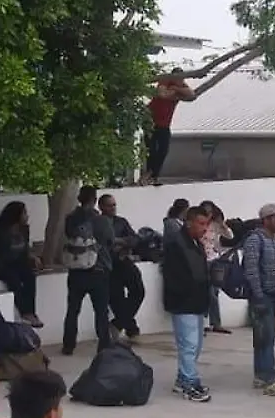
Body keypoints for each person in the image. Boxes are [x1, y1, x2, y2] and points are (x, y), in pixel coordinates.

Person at [162, 205, 213, 403]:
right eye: (201, 223)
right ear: (189, 222)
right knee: (189, 345)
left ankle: (183, 378)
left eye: (206, 224)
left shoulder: (196, 243)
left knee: (195, 345)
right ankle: (189, 382)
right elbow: (174, 276)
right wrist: (186, 293)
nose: (205, 228)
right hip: (183, 302)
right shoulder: (176, 244)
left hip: (197, 302)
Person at [242, 203, 275, 397]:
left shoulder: (274, 240)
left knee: (266, 337)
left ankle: (262, 375)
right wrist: (259, 295)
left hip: (272, 295)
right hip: (261, 297)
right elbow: (251, 270)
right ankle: (268, 377)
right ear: (266, 220)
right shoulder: (255, 240)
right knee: (265, 337)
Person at [62, 186, 116, 355]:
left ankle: (68, 345)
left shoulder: (70, 219)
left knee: (72, 310)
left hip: (76, 270)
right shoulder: (101, 220)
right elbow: (110, 241)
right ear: (94, 200)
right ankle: (104, 345)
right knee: (101, 311)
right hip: (98, 270)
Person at [0, 201, 44, 328]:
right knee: (14, 280)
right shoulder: (1, 231)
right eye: (24, 213)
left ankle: (30, 312)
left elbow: (24, 249)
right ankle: (24, 312)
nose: (27, 216)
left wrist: (33, 258)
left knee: (30, 276)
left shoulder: (24, 230)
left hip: (16, 262)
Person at [98, 194, 144, 343]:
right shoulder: (98, 223)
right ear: (101, 207)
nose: (113, 208)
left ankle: (118, 324)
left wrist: (120, 242)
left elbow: (135, 239)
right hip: (109, 265)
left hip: (124, 261)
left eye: (114, 205)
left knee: (138, 291)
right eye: (109, 205)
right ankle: (131, 329)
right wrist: (117, 243)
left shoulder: (121, 222)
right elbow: (103, 243)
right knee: (117, 299)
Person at [142, 74, 195, 186]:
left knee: (163, 150)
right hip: (150, 122)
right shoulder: (164, 82)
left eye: (182, 79)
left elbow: (192, 95)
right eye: (178, 79)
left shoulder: (180, 86)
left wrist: (176, 89)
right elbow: (162, 94)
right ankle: (148, 174)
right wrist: (176, 94)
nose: (180, 81)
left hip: (164, 125)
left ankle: (154, 176)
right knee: (151, 150)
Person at [199, 201, 233, 335]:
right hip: (202, 261)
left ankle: (213, 323)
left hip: (214, 260)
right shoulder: (200, 225)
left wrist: (222, 224)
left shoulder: (215, 225)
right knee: (207, 293)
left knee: (214, 292)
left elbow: (230, 236)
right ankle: (208, 322)